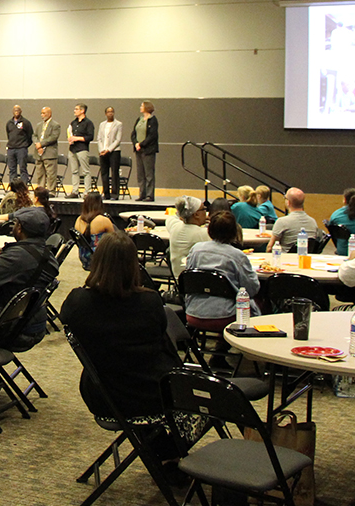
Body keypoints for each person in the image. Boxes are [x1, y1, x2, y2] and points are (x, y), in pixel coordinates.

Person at [60, 232, 192, 468]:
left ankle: (163, 452)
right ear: (134, 265)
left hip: (105, 395)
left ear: (97, 262)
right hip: (153, 394)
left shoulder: (76, 303)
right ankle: (169, 453)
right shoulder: (150, 302)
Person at [0, 206, 58, 351]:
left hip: (11, 331)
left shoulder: (17, 256)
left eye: (16, 224)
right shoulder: (47, 254)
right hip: (34, 324)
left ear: (20, 229)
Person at [184, 211, 261, 329]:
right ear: (234, 231)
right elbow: (251, 289)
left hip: (193, 311)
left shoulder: (195, 250)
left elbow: (188, 279)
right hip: (226, 315)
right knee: (259, 302)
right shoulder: (237, 256)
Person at [165, 195, 210, 271]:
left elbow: (171, 218)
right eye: (204, 209)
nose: (206, 213)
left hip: (178, 278)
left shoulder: (175, 227)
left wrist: (182, 213)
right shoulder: (204, 233)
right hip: (195, 279)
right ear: (196, 214)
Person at [74, 192, 117, 270]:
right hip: (101, 258)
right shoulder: (103, 220)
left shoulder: (78, 220)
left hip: (85, 257)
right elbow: (115, 240)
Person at [267, 187, 318, 253]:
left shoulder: (282, 222)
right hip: (304, 259)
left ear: (288, 202)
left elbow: (270, 248)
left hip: (284, 260)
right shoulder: (313, 222)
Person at [131, 101, 158, 201]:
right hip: (138, 150)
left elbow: (152, 136)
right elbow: (133, 133)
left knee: (149, 173)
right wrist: (136, 143)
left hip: (148, 150)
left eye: (142, 106)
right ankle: (142, 193)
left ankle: (149, 195)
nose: (140, 107)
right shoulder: (139, 119)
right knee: (140, 173)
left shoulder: (152, 120)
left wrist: (141, 144)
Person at [66, 103, 94, 197]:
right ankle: (75, 191)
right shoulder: (73, 123)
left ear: (82, 111)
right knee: (74, 171)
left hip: (82, 149)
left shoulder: (88, 123)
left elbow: (90, 137)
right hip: (72, 149)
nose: (75, 111)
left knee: (85, 171)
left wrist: (77, 138)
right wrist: (70, 139)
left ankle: (87, 191)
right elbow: (70, 133)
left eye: (77, 109)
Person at [96, 106, 122, 200]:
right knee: (104, 173)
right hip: (103, 151)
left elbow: (118, 139)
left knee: (114, 172)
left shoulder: (118, 124)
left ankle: (114, 194)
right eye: (108, 112)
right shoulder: (102, 124)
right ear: (105, 113)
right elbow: (99, 138)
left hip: (114, 151)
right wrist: (101, 149)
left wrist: (109, 149)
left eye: (112, 111)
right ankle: (106, 193)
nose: (110, 113)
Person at [32, 107, 60, 191]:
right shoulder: (38, 125)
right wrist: (37, 144)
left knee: (51, 174)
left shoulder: (55, 125)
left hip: (49, 153)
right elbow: (34, 136)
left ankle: (51, 190)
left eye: (44, 113)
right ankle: (41, 190)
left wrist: (41, 144)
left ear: (49, 114)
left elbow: (53, 137)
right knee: (40, 173)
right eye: (41, 113)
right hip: (38, 153)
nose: (42, 115)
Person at [5, 105, 33, 185]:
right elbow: (9, 135)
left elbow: (30, 136)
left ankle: (23, 188)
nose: (16, 112)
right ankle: (13, 188)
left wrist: (24, 145)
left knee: (22, 168)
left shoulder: (26, 122)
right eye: (15, 110)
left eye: (18, 110)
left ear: (21, 111)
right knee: (12, 169)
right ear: (12, 112)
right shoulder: (9, 123)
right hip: (11, 149)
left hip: (21, 149)